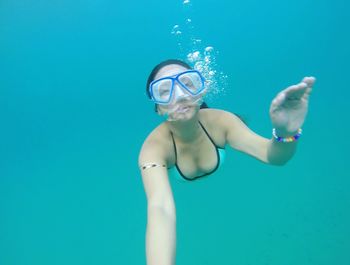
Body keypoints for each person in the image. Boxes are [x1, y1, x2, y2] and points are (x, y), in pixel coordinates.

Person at [138, 59, 315, 265]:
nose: (180, 95)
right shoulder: (154, 148)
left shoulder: (222, 121)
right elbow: (160, 208)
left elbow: (274, 157)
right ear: (158, 108)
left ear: (201, 91)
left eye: (188, 83)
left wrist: (286, 131)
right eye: (165, 90)